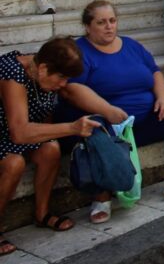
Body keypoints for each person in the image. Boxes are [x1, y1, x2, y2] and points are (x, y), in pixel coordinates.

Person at [57, 0, 164, 224]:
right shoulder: (79, 52)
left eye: (112, 21)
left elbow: (155, 73)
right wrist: (107, 109)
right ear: (87, 27)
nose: (109, 26)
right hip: (107, 121)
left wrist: (162, 99)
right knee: (97, 132)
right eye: (101, 22)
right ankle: (101, 197)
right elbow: (72, 89)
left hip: (142, 119)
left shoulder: (131, 45)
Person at [0, 38, 101, 254]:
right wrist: (72, 128)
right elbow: (19, 132)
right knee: (14, 163)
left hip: (17, 134)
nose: (63, 84)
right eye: (62, 77)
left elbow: (43, 122)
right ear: (44, 68)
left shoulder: (43, 75)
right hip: (10, 133)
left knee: (51, 149)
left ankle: (41, 213)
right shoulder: (13, 73)